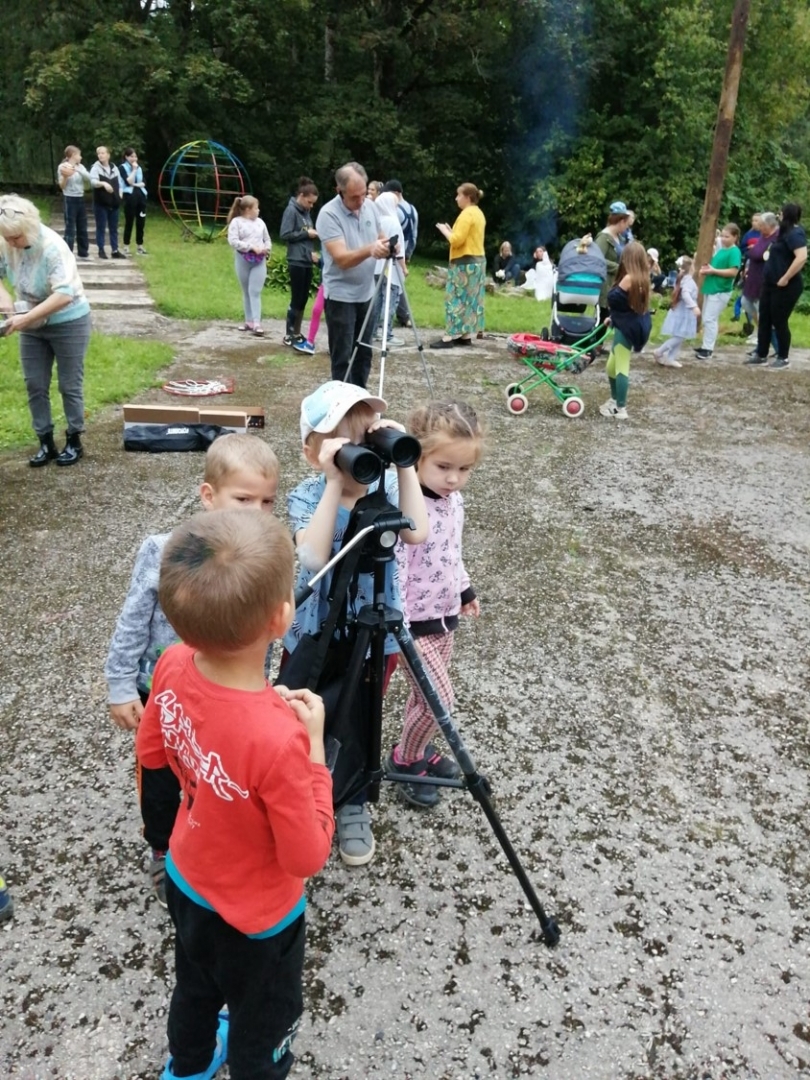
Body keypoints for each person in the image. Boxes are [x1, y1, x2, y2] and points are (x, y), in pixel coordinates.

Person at [136, 509, 333, 1080]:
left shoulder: (170, 664)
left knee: (194, 986)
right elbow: (306, 856)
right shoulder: (280, 737)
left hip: (186, 877)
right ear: (281, 618)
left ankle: (189, 1068)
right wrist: (314, 748)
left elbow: (152, 753)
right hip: (259, 919)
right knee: (265, 1018)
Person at [105, 434, 281, 907]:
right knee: (161, 776)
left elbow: (262, 630)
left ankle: (210, 839)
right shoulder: (165, 550)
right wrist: (120, 685)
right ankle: (163, 850)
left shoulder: (260, 558)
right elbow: (132, 620)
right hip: (162, 694)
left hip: (227, 699)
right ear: (208, 496)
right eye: (243, 499)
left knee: (213, 777)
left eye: (268, 501)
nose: (257, 513)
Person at [283, 380, 428, 866]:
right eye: (345, 446)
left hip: (376, 637)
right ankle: (302, 795)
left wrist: (403, 464)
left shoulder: (387, 489)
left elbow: (418, 533)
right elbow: (312, 556)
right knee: (304, 716)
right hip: (315, 635)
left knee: (359, 715)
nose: (359, 457)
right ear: (312, 453)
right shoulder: (306, 495)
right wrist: (331, 483)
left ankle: (351, 801)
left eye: (367, 443)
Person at [387, 401, 484, 807]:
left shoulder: (453, 502)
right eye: (444, 467)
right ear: (417, 457)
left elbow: (451, 552)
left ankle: (420, 749)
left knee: (423, 698)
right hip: (412, 626)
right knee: (438, 700)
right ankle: (406, 760)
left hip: (444, 617)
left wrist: (464, 589)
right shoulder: (406, 510)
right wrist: (401, 627)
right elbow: (395, 572)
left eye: (464, 469)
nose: (454, 479)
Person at [0, 194, 91, 466]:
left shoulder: (53, 247)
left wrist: (22, 320)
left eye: (15, 238)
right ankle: (46, 441)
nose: (10, 243)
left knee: (68, 384)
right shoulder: (6, 241)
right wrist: (9, 313)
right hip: (30, 320)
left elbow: (63, 294)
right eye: (6, 238)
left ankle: (74, 439)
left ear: (28, 228)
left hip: (69, 321)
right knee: (35, 384)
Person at [315, 162, 392, 388]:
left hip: (367, 293)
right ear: (339, 191)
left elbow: (380, 235)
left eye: (363, 194)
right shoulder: (328, 214)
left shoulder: (370, 206)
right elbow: (342, 259)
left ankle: (361, 401)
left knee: (365, 353)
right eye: (354, 197)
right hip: (340, 297)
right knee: (342, 357)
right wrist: (370, 249)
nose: (360, 202)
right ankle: (342, 407)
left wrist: (389, 246)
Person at [747, 202, 807, 370]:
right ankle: (761, 353)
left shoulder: (796, 234)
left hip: (786, 285)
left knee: (779, 320)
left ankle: (783, 357)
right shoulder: (782, 233)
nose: (778, 216)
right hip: (770, 283)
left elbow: (801, 257)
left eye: (781, 213)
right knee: (764, 317)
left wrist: (786, 277)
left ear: (786, 215)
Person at [599, 240, 652, 420]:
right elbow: (628, 306)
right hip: (628, 325)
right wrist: (613, 318)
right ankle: (615, 400)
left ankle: (620, 408)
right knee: (611, 367)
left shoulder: (629, 278)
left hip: (626, 330)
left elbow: (614, 299)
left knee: (621, 367)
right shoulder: (642, 278)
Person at [431, 182, 486, 348]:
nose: (456, 198)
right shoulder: (478, 213)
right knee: (470, 300)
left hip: (463, 264)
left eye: (459, 195)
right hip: (477, 262)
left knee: (454, 299)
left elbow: (456, 241)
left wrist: (444, 230)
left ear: (467, 197)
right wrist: (452, 230)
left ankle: (448, 337)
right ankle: (465, 335)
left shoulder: (466, 215)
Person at [280, 177, 319, 347]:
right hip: (295, 260)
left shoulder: (306, 213)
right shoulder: (291, 211)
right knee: (296, 298)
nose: (311, 206)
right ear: (302, 196)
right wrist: (306, 234)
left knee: (303, 298)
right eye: (309, 202)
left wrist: (312, 252)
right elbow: (285, 234)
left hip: (307, 260)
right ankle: (289, 334)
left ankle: (297, 332)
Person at [694, 222, 742, 360]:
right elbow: (715, 266)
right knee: (706, 317)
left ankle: (708, 349)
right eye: (722, 236)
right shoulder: (722, 250)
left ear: (735, 237)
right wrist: (707, 269)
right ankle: (705, 345)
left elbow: (733, 271)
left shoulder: (734, 251)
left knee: (710, 318)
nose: (723, 239)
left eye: (727, 236)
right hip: (712, 287)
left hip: (721, 289)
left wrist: (713, 270)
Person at [226, 195, 271, 338]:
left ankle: (257, 322)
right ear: (247, 209)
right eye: (256, 208)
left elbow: (267, 239)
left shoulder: (260, 223)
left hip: (259, 260)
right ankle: (249, 321)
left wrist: (266, 249)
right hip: (242, 259)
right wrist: (250, 247)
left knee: (255, 291)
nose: (258, 210)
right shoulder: (236, 222)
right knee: (246, 291)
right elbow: (233, 241)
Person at [369, 189, 407, 347]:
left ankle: (373, 331)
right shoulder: (394, 222)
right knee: (390, 300)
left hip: (376, 266)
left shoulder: (376, 220)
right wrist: (404, 268)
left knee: (376, 300)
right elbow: (399, 249)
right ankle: (387, 333)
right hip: (390, 268)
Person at [57, 145, 107, 261]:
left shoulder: (81, 167)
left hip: (80, 198)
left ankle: (83, 252)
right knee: (70, 227)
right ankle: (67, 253)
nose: (81, 157)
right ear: (73, 155)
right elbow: (62, 186)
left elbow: (89, 178)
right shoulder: (62, 167)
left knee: (82, 226)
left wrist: (77, 169)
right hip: (69, 199)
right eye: (79, 155)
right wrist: (65, 176)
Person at [652, 256, 700, 368]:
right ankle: (659, 352)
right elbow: (686, 294)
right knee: (679, 336)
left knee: (679, 336)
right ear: (691, 268)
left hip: (680, 312)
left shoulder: (681, 279)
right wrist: (694, 307)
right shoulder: (688, 281)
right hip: (683, 313)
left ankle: (670, 358)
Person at [382, 179, 419, 328]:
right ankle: (403, 316)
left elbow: (391, 233)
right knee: (398, 284)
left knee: (391, 286)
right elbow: (414, 234)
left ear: (396, 193)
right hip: (406, 249)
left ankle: (389, 322)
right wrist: (409, 253)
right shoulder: (412, 209)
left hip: (394, 251)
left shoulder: (394, 211)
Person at [740, 212, 777, 350]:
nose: (759, 227)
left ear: (770, 225)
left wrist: (755, 252)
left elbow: (765, 255)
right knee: (745, 302)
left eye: (762, 225)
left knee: (762, 311)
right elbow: (751, 252)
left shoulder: (776, 238)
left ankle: (767, 345)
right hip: (753, 276)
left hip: (764, 279)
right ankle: (762, 332)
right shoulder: (761, 236)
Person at [595, 203, 632, 325]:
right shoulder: (603, 238)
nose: (626, 228)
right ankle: (596, 344)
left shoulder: (620, 238)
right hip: (605, 285)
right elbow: (597, 259)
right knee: (602, 319)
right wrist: (619, 268)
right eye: (626, 224)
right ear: (621, 221)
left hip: (617, 284)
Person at [89, 146, 124, 260]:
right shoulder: (95, 168)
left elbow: (120, 183)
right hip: (101, 203)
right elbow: (93, 182)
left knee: (114, 227)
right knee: (101, 227)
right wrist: (103, 184)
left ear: (108, 155)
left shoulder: (114, 168)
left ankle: (115, 250)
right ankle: (101, 249)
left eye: (103, 153)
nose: (101, 155)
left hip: (114, 202)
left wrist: (120, 194)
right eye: (99, 153)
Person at [119, 148, 148, 256]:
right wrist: (134, 170)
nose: (134, 159)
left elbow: (143, 183)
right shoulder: (122, 168)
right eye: (131, 156)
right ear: (126, 157)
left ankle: (140, 246)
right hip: (129, 196)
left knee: (141, 221)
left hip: (141, 195)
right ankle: (126, 246)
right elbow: (128, 181)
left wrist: (136, 184)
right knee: (129, 221)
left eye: (135, 156)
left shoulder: (139, 168)